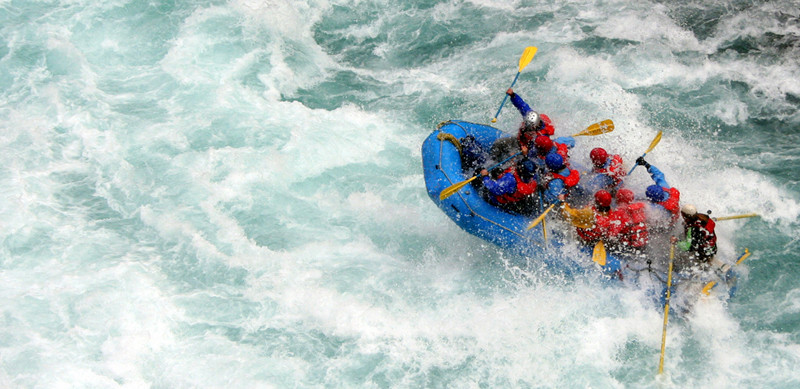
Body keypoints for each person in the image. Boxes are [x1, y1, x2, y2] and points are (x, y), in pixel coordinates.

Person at [560, 190, 625, 245]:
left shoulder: (590, 214)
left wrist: (562, 201)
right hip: (596, 238)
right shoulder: (611, 213)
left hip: (582, 238)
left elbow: (568, 215)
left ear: (596, 201)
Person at [635, 157, 681, 225]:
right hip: (673, 215)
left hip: (667, 223)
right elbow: (659, 175)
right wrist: (646, 164)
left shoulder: (657, 209)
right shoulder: (665, 188)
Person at [615, 188, 649, 254]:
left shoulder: (621, 213)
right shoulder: (639, 208)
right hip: (642, 243)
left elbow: (614, 232)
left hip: (628, 245)